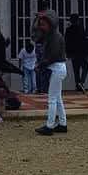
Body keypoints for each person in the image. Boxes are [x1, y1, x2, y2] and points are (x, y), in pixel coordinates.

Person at [32, 8, 68, 136]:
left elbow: (52, 57)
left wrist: (40, 65)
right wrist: (37, 19)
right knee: (57, 98)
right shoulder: (51, 35)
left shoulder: (55, 37)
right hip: (58, 68)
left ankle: (49, 126)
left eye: (43, 24)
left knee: (52, 99)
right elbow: (35, 35)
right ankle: (62, 124)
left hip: (57, 68)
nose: (41, 26)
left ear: (50, 24)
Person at [64, 13, 88, 93]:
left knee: (76, 70)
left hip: (73, 53)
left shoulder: (68, 30)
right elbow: (85, 41)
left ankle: (78, 85)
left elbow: (66, 42)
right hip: (82, 52)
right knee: (85, 67)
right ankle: (81, 82)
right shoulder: (81, 29)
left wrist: (68, 53)